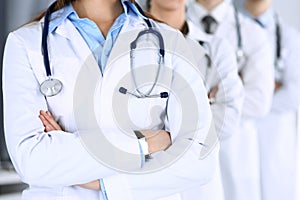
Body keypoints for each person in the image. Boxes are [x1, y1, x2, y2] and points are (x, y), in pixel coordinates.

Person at [2, 0, 215, 199]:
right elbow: (32, 161)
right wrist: (144, 143)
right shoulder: (26, 44)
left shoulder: (170, 42)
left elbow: (200, 158)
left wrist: (105, 184)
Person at [147, 0, 244, 199]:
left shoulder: (216, 47)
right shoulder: (126, 44)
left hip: (201, 187)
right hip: (149, 182)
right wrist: (201, 107)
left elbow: (228, 119)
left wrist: (158, 133)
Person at [186, 0, 274, 200]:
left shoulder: (252, 34)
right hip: (188, 157)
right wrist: (228, 94)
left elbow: (259, 103)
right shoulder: (171, 25)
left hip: (237, 152)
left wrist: (193, 102)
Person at [241, 0, 300, 199]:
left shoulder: (289, 37)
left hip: (276, 139)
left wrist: (252, 94)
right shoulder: (230, 30)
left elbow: (294, 94)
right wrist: (271, 88)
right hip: (239, 136)